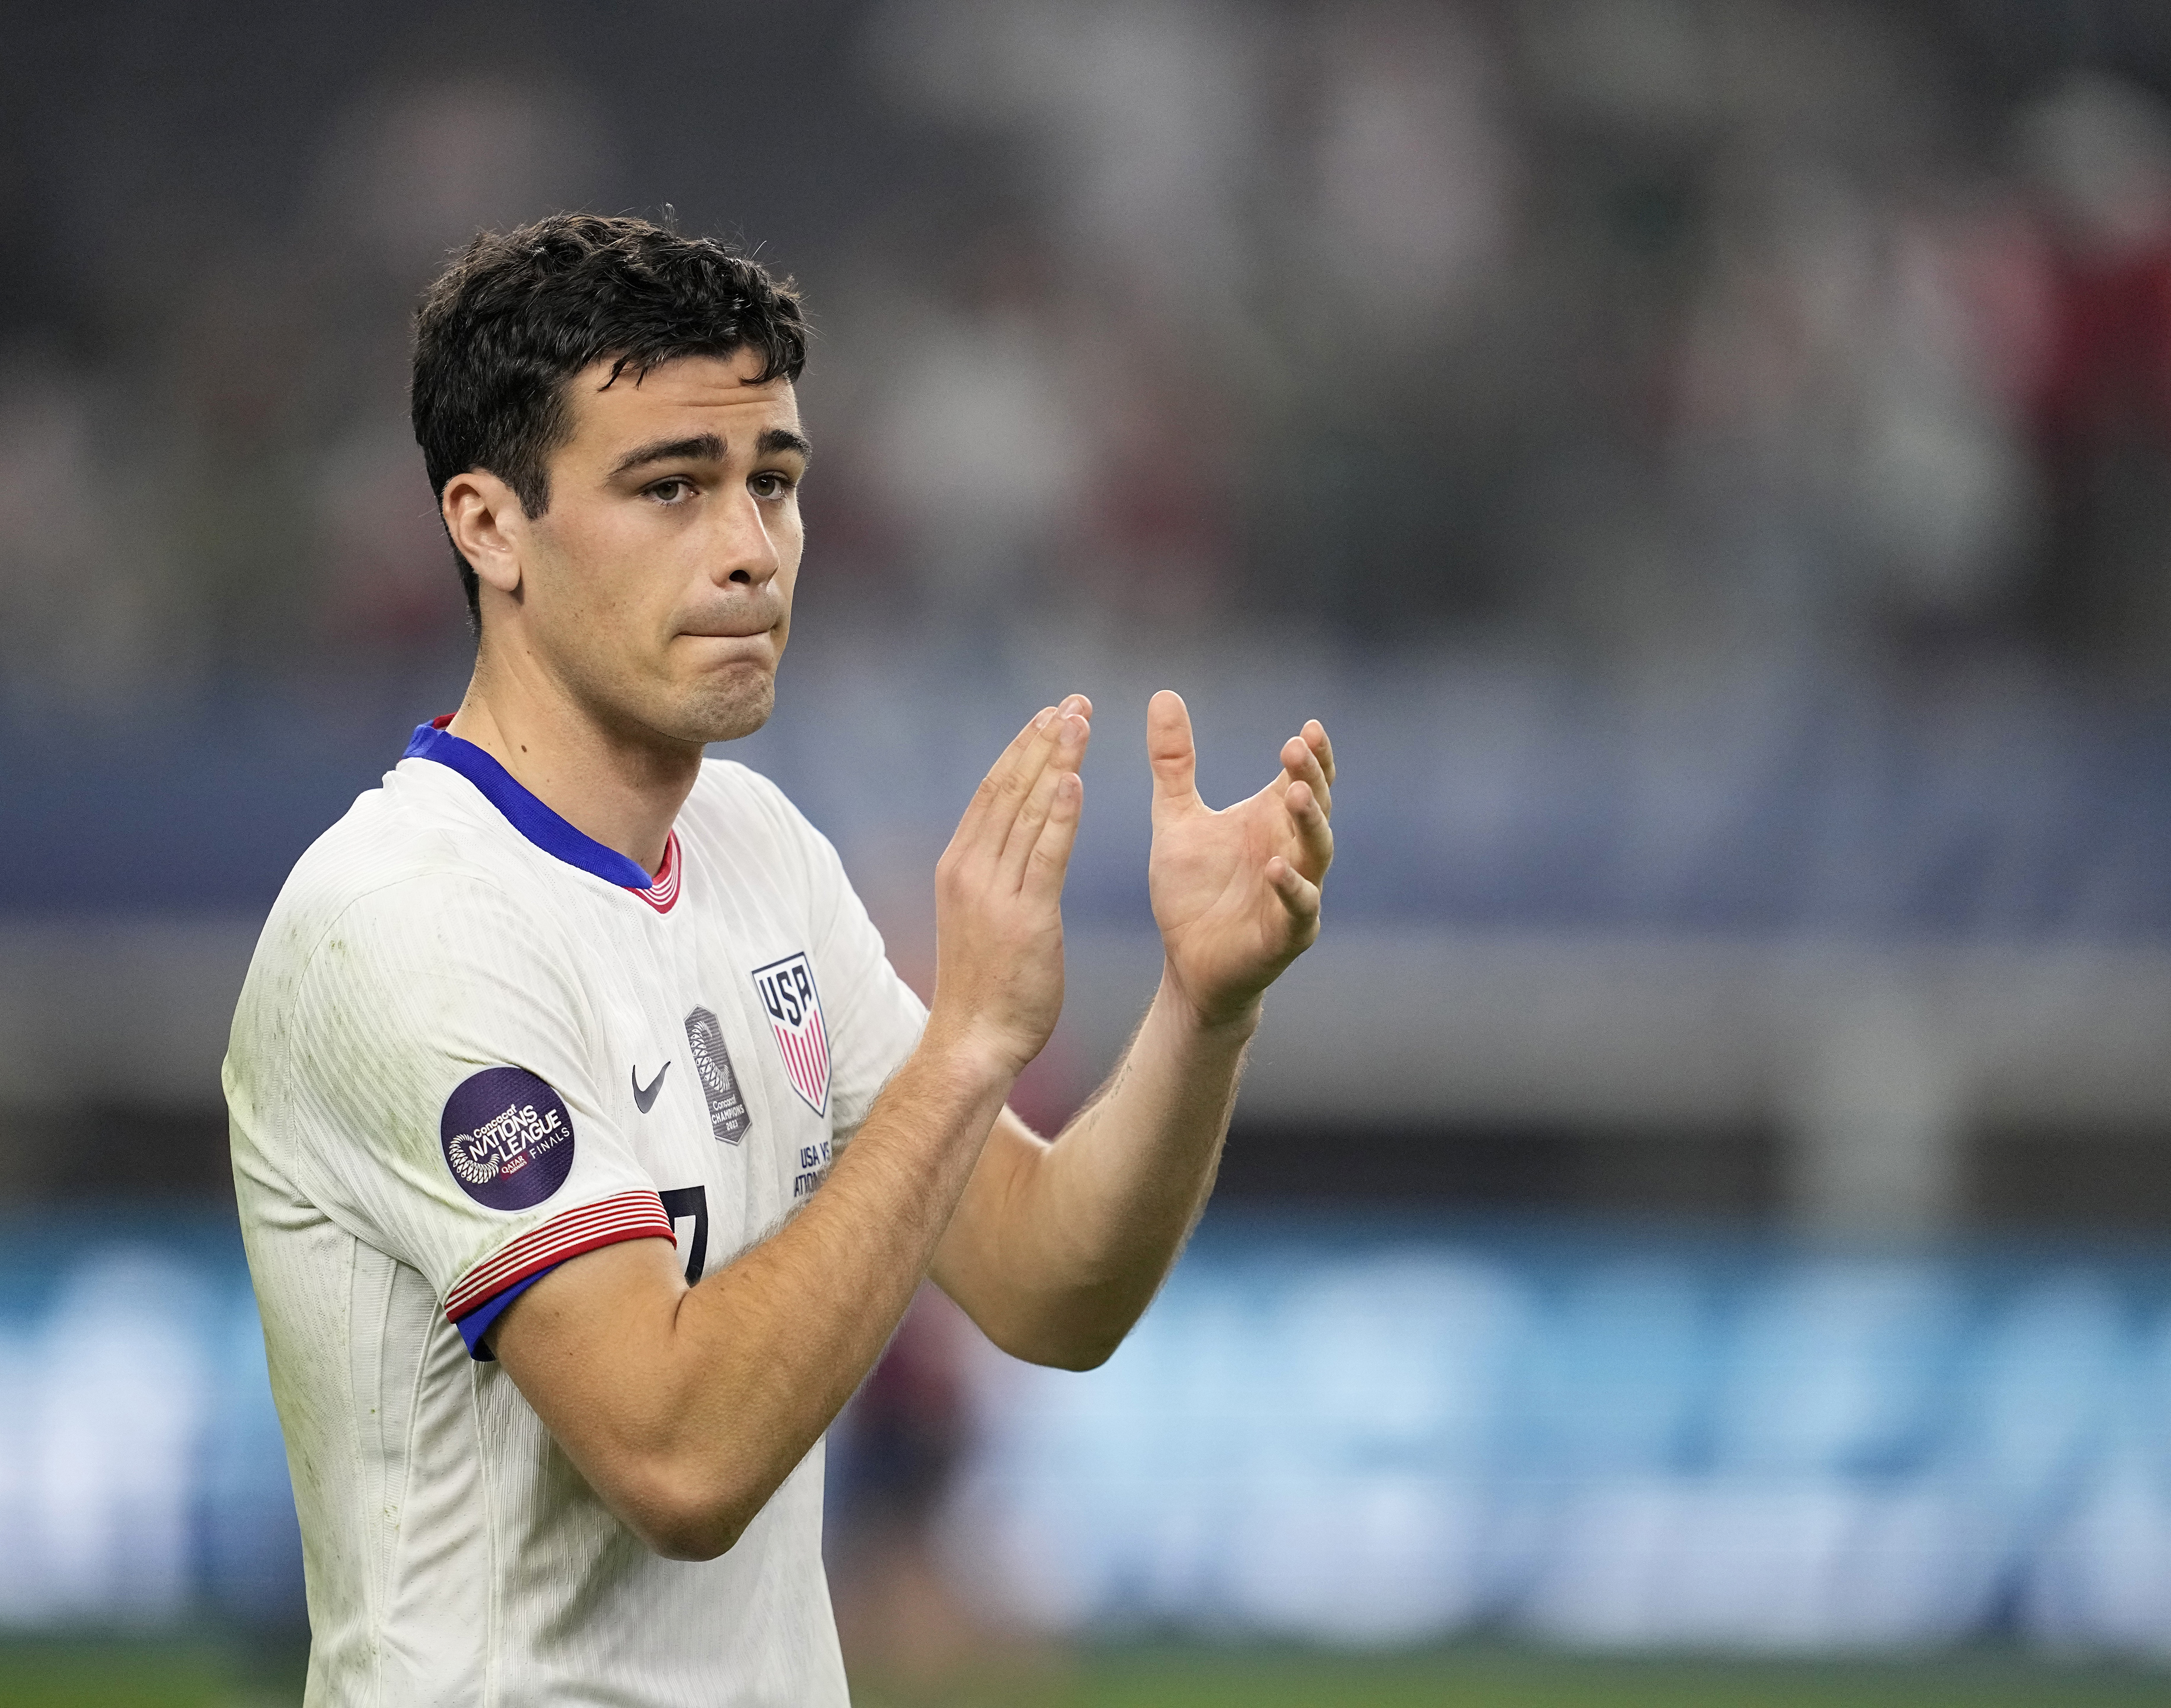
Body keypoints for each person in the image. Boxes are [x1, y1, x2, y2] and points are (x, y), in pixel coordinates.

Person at [223, 212, 1336, 1706]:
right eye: (670, 489)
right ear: (489, 527)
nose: (750, 550)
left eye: (774, 483)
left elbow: (1049, 1286)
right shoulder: (407, 920)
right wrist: (967, 1044)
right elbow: (679, 1461)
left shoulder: (758, 851)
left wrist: (1205, 1009)